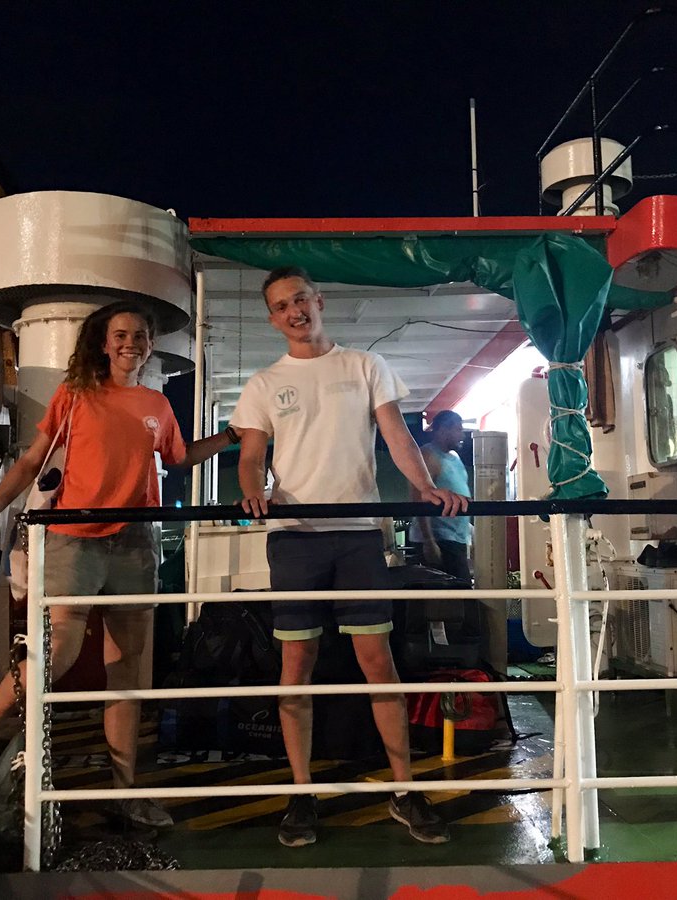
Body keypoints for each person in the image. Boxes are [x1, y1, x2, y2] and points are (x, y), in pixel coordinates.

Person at [0, 300, 238, 831]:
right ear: (103, 343)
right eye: (120, 334)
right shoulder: (76, 394)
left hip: (136, 540)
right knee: (59, 650)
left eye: (140, 335)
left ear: (150, 345)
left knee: (126, 665)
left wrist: (233, 436)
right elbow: (31, 461)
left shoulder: (156, 403)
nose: (131, 343)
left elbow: (178, 458)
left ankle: (124, 790)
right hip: (74, 538)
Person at [231, 266, 468, 847]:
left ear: (319, 301)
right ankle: (302, 793)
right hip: (294, 537)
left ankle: (404, 791)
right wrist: (254, 491)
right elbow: (251, 455)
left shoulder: (365, 366)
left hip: (359, 533)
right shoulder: (264, 383)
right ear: (272, 319)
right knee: (296, 665)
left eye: (301, 299)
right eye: (281, 306)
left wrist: (425, 487)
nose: (294, 311)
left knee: (377, 660)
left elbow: (397, 437)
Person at [409, 410, 472, 583]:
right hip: (439, 539)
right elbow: (417, 498)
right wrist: (429, 541)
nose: (462, 435)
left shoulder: (455, 457)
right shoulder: (428, 455)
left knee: (461, 590)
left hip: (456, 538)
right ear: (444, 430)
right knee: (452, 592)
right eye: (458, 429)